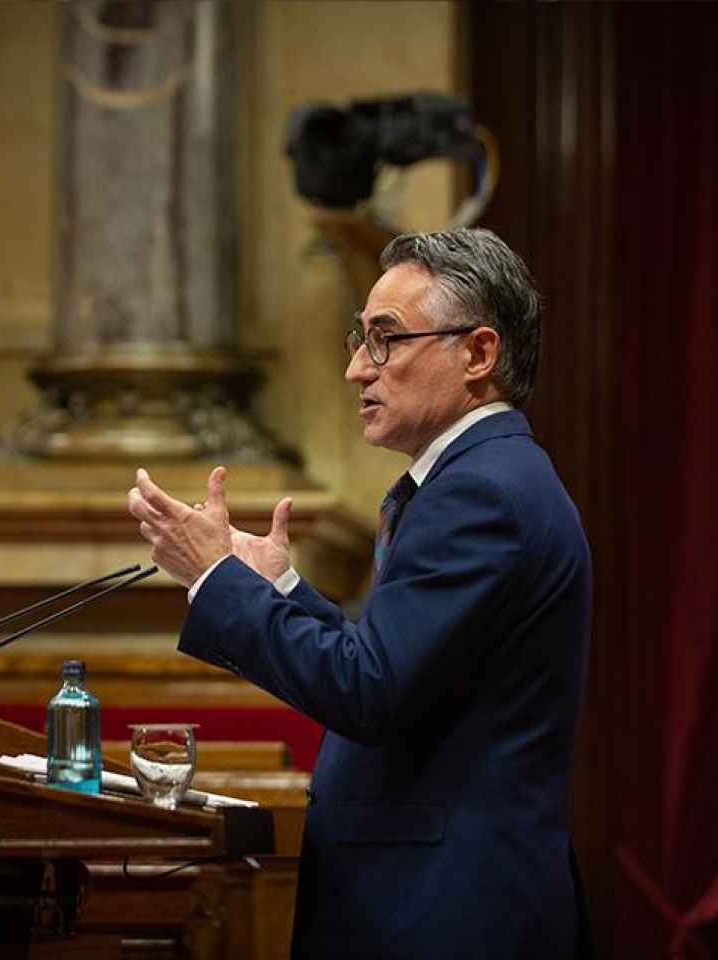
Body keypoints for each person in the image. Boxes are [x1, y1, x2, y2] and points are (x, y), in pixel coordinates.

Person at [128, 228, 590, 958]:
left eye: (385, 340)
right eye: (357, 339)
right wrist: (275, 585)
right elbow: (402, 668)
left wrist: (216, 579)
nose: (354, 369)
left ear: (477, 353)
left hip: (444, 914)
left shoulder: (480, 492)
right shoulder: (484, 481)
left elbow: (367, 690)